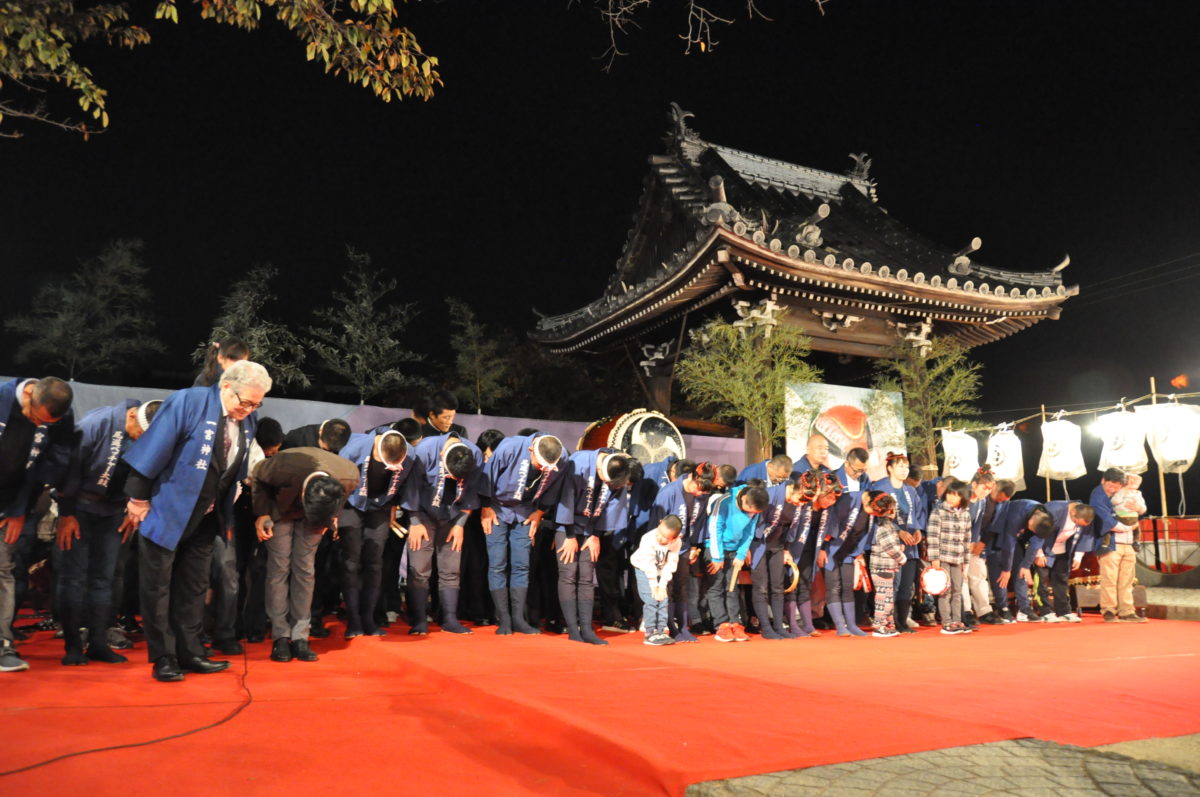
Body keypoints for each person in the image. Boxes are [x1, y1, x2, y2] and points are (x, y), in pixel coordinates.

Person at [123, 361, 269, 682]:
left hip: (206, 516)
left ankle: (190, 651)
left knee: (193, 587)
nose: (248, 409)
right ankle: (163, 656)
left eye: (256, 404)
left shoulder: (248, 418)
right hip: (167, 509)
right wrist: (138, 498)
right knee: (158, 587)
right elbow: (153, 449)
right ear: (226, 386)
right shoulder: (188, 402)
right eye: (244, 401)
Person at [55, 398, 160, 665]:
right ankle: (72, 646)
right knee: (75, 578)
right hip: (78, 507)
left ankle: (99, 642)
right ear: (133, 415)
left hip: (113, 511)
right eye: (142, 434)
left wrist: (132, 507)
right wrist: (66, 514)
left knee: (106, 577)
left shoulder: (140, 431)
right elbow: (68, 467)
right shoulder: (95, 424)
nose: (142, 441)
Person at [253, 446, 358, 661]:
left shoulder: (349, 475)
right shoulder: (284, 467)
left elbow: (341, 499)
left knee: (305, 570)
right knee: (279, 568)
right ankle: (280, 636)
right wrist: (262, 512)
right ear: (303, 492)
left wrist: (332, 515)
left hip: (319, 515)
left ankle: (300, 636)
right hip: (281, 510)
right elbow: (257, 474)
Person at [0, 377, 76, 673]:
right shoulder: (4, 398)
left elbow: (48, 466)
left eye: (44, 423)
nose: (36, 425)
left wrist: (20, 510)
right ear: (29, 393)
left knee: (4, 570)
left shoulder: (59, 417)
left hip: (9, 503)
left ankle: (3, 644)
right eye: (34, 417)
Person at [337, 430, 423, 638]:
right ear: (376, 447)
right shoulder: (354, 449)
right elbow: (336, 482)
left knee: (375, 561)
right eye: (383, 462)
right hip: (350, 504)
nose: (387, 468)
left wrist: (399, 510)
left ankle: (369, 618)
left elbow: (407, 486)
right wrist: (333, 514)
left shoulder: (409, 454)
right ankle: (354, 620)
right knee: (351, 561)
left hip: (381, 506)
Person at [479, 433, 567, 635]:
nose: (544, 469)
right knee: (497, 563)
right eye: (540, 464)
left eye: (548, 467)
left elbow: (554, 489)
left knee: (521, 564)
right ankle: (503, 619)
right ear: (531, 450)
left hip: (527, 511)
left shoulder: (562, 457)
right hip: (498, 509)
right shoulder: (509, 447)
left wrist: (540, 511)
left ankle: (518, 618)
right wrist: (486, 507)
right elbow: (487, 476)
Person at [407, 430, 485, 634]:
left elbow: (472, 492)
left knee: (451, 569)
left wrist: (460, 524)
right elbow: (411, 487)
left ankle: (450, 618)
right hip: (422, 513)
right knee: (419, 569)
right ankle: (419, 620)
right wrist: (414, 521)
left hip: (453, 515)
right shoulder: (424, 450)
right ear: (442, 456)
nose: (451, 478)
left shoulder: (475, 454)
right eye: (449, 474)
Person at [554, 448, 632, 645]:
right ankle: (573, 629)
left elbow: (611, 509)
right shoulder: (578, 463)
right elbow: (565, 500)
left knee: (587, 578)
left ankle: (587, 630)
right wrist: (570, 536)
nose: (607, 485)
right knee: (569, 574)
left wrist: (596, 535)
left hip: (591, 528)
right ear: (600, 468)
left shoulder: (619, 469)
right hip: (567, 525)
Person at [648, 461, 716, 642]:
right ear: (692, 477)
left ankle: (684, 627)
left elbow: (700, 521)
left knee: (682, 586)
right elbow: (656, 523)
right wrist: (658, 550)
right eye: (699, 488)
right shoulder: (669, 492)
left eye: (705, 491)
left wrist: (695, 546)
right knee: (667, 587)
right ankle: (669, 626)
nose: (701, 493)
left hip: (685, 546)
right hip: (664, 547)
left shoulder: (702, 495)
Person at [870, 452, 926, 634]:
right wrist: (898, 531)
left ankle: (902, 621)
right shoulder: (880, 487)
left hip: (909, 544)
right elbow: (877, 514)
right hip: (889, 544)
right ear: (890, 468)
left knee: (906, 585)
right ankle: (888, 621)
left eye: (906, 467)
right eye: (900, 466)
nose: (904, 470)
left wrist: (917, 530)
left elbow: (918, 514)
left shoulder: (910, 490)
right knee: (890, 585)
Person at [707, 481, 769, 642]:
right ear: (743, 500)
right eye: (750, 511)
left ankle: (735, 622)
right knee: (716, 587)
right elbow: (715, 528)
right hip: (715, 547)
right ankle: (721, 624)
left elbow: (749, 532)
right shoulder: (725, 501)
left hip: (735, 549)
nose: (751, 514)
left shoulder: (754, 506)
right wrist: (717, 556)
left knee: (732, 587)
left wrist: (741, 555)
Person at [1020, 500, 1096, 623]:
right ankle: (1046, 612)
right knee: (1042, 580)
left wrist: (1078, 556)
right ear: (1073, 512)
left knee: (1062, 579)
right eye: (1076, 522)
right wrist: (1038, 553)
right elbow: (1037, 531)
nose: (1078, 525)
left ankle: (1064, 611)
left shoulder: (1086, 514)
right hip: (1044, 548)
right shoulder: (1053, 510)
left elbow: (1086, 535)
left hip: (1063, 549)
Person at [1091, 468, 1145, 623]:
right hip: (1111, 543)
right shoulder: (1099, 495)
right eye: (1110, 486)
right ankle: (1108, 610)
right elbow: (1105, 518)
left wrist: (1137, 508)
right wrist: (1128, 527)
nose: (1113, 489)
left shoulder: (1124, 493)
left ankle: (1127, 610)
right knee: (1110, 578)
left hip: (1128, 543)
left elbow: (1140, 509)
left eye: (1116, 486)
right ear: (1103, 481)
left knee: (1127, 579)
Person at [925, 479, 972, 635]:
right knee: (945, 591)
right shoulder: (938, 512)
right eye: (950, 494)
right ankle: (946, 622)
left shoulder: (965, 514)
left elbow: (967, 539)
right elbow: (932, 536)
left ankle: (957, 620)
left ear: (963, 498)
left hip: (958, 558)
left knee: (958, 590)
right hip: (943, 557)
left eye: (956, 495)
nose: (952, 497)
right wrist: (934, 559)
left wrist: (966, 561)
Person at [629, 515, 683, 646]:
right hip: (643, 568)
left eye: (666, 537)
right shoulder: (648, 538)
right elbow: (648, 564)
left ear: (674, 537)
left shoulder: (676, 542)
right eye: (660, 533)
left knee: (663, 598)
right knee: (651, 598)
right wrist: (654, 586)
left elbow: (671, 564)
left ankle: (661, 630)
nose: (661, 538)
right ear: (659, 524)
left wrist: (662, 586)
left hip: (661, 570)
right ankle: (650, 632)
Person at [865, 491, 906, 638]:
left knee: (888, 597)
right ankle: (879, 625)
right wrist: (901, 557)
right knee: (883, 598)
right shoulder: (882, 527)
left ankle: (888, 624)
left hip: (888, 566)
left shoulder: (888, 525)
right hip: (882, 566)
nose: (895, 512)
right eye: (892, 509)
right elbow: (888, 547)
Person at [281, 418, 352, 455]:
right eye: (325, 449)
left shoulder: (342, 439)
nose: (329, 452)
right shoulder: (296, 437)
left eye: (332, 450)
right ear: (320, 431)